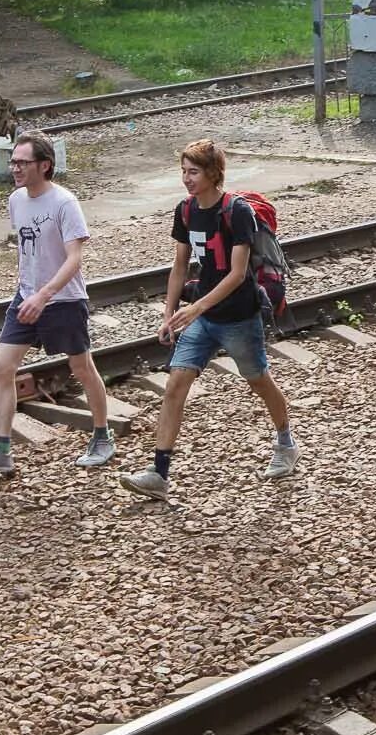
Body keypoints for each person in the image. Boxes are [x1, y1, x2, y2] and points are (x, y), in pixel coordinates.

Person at [121, 139, 297, 499]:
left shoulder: (236, 212)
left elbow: (236, 274)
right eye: (183, 171)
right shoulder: (186, 211)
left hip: (238, 317)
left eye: (194, 171)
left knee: (259, 381)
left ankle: (286, 443)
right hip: (201, 318)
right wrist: (169, 314)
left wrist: (195, 308)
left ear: (213, 173)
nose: (186, 178)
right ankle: (159, 473)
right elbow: (179, 266)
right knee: (175, 385)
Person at [0, 131, 114, 475]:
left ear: (44, 165)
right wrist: (29, 290)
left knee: (81, 368)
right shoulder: (16, 200)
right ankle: (1, 450)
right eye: (13, 161)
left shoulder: (64, 203)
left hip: (62, 300)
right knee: (2, 367)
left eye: (22, 162)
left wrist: (45, 294)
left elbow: (74, 258)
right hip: (27, 296)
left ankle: (102, 437)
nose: (15, 167)